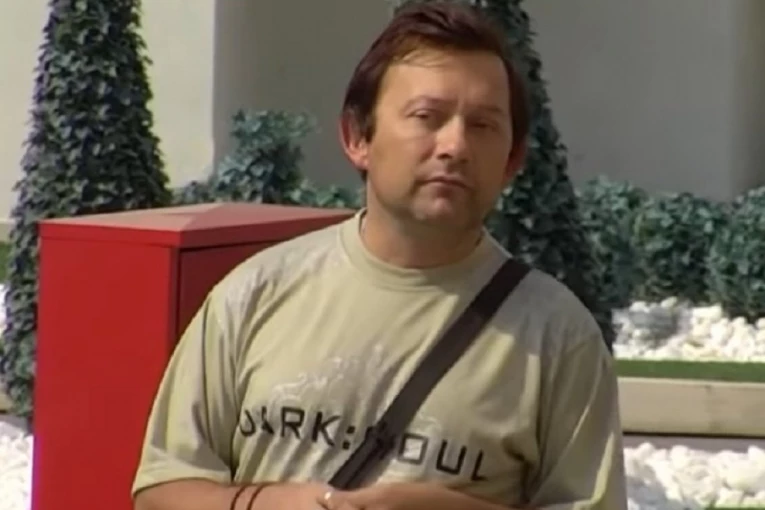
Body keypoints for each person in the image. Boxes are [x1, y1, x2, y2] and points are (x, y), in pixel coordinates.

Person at [130, 2, 628, 509]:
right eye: (427, 117)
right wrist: (267, 504)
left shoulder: (558, 337)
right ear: (357, 137)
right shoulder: (254, 295)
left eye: (482, 125)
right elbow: (161, 491)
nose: (455, 145)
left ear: (512, 161)